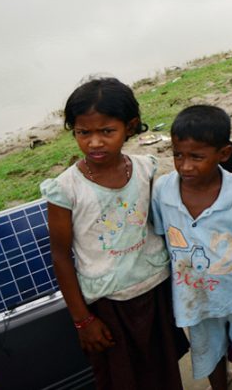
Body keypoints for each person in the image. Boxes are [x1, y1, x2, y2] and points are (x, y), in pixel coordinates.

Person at [41, 78, 187, 390]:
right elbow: (60, 255)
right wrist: (83, 320)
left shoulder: (145, 169)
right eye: (84, 133)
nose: (94, 142)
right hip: (108, 304)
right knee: (121, 378)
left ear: (130, 126)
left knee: (164, 372)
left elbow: (155, 225)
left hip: (154, 289)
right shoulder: (66, 189)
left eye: (106, 131)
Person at [151, 105, 232, 389]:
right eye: (178, 155)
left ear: (223, 154)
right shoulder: (163, 191)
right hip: (194, 298)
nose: (185, 165)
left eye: (197, 157)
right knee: (208, 355)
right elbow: (163, 243)